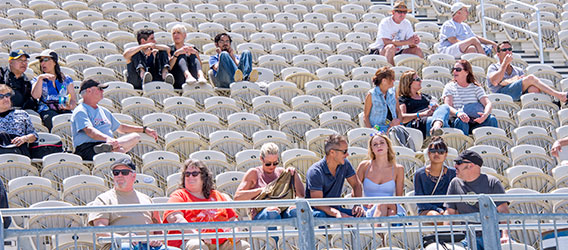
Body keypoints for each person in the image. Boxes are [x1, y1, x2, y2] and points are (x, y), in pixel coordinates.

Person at [88, 158, 180, 250]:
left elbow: (158, 229)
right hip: (118, 245)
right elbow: (100, 229)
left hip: (148, 245)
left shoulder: (146, 199)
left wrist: (157, 240)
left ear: (133, 176)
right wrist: (122, 238)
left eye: (124, 172)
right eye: (116, 172)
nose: (119, 175)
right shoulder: (103, 199)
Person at [163, 159, 250, 250]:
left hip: (221, 241)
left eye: (194, 174)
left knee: (243, 246)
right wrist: (198, 235)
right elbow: (176, 218)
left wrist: (235, 232)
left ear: (204, 177)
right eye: (187, 174)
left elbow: (232, 218)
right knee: (198, 245)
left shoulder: (217, 195)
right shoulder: (179, 195)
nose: (190, 177)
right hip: (189, 240)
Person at [71, 79, 158, 160]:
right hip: (88, 149)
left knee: (135, 136)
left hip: (108, 144)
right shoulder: (81, 110)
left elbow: (121, 128)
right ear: (89, 91)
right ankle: (109, 148)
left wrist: (144, 129)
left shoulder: (103, 110)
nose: (102, 91)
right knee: (120, 152)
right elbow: (89, 131)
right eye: (100, 89)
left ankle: (109, 147)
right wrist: (108, 139)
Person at [444, 150, 510, 249]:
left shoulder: (492, 182)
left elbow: (503, 211)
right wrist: (446, 236)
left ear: (470, 165)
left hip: (493, 235)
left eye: (459, 163)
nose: (455, 166)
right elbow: (449, 213)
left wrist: (505, 235)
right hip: (468, 237)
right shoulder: (455, 183)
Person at [234, 142, 305, 220]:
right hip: (262, 212)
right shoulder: (254, 173)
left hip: (282, 210)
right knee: (272, 213)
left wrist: (294, 175)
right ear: (261, 159)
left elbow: (301, 195)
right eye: (268, 164)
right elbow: (237, 197)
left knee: (296, 211)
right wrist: (262, 190)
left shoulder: (281, 172)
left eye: (275, 163)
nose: (272, 166)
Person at [487, 41, 568, 103]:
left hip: (517, 95)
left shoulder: (518, 70)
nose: (508, 52)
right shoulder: (493, 67)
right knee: (531, 78)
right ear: (498, 54)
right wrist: (504, 64)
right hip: (500, 95)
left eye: (510, 49)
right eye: (504, 50)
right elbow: (495, 82)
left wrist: (513, 80)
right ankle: (559, 95)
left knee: (534, 89)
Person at [305, 134, 365, 218]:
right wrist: (337, 213)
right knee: (320, 215)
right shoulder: (315, 172)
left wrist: (357, 204)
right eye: (344, 151)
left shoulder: (345, 164)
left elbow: (356, 184)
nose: (347, 154)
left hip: (335, 209)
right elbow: (317, 204)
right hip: (317, 211)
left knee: (360, 214)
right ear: (332, 152)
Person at [442, 60, 498, 135]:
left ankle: (491, 145)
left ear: (467, 72)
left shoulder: (476, 87)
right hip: (459, 120)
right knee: (462, 121)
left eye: (458, 69)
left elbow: (487, 103)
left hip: (475, 121)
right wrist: (459, 114)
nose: (454, 71)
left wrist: (485, 115)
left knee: (492, 119)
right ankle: (464, 145)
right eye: (453, 69)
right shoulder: (449, 87)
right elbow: (447, 106)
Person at [356, 133, 405, 217]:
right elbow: (355, 189)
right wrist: (364, 203)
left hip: (392, 206)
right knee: (389, 212)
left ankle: (377, 229)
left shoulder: (398, 169)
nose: (379, 146)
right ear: (372, 149)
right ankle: (385, 228)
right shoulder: (364, 166)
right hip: (369, 208)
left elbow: (399, 198)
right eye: (375, 144)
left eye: (382, 143)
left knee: (384, 205)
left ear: (388, 146)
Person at [31, 49, 77, 131]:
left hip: (63, 108)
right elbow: (35, 95)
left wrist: (70, 106)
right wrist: (41, 78)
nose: (42, 63)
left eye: (45, 60)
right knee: (52, 119)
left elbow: (73, 100)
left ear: (54, 62)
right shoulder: (37, 79)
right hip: (46, 110)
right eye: (41, 61)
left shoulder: (66, 79)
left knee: (73, 120)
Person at [398, 70, 451, 137]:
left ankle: (436, 126)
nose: (421, 81)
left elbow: (436, 107)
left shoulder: (425, 97)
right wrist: (422, 114)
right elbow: (402, 118)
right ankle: (437, 127)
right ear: (409, 83)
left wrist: (434, 108)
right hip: (418, 124)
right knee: (445, 125)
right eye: (417, 79)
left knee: (445, 107)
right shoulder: (403, 99)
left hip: (431, 120)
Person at [368, 1, 423, 66]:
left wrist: (414, 41)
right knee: (391, 47)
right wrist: (408, 42)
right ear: (393, 13)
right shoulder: (385, 22)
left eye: (404, 12)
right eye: (399, 12)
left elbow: (410, 44)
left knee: (417, 49)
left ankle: (419, 73)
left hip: (398, 51)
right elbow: (386, 42)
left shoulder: (407, 23)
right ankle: (390, 73)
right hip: (380, 50)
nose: (402, 14)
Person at [414, 137, 456, 216]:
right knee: (436, 216)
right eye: (433, 151)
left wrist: (446, 210)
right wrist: (438, 209)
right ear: (429, 153)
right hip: (426, 210)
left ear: (445, 154)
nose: (436, 154)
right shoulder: (419, 174)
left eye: (440, 152)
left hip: (448, 209)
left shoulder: (453, 173)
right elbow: (420, 201)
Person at [0, 84, 37, 157]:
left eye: (7, 95)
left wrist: (24, 138)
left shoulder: (22, 114)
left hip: (19, 151)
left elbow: (34, 136)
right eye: (1, 97)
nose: (6, 99)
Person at [363, 66, 402, 133]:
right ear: (384, 81)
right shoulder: (371, 95)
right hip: (377, 129)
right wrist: (372, 132)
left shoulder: (393, 91)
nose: (394, 80)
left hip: (394, 128)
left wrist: (398, 122)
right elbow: (366, 117)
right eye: (391, 78)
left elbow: (398, 111)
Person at [168, 24, 208, 89]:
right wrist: (176, 54)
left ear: (184, 35)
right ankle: (187, 75)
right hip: (177, 78)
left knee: (192, 53)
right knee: (181, 53)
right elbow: (169, 67)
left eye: (178, 33)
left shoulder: (191, 47)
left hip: (193, 78)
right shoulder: (169, 48)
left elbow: (199, 65)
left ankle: (200, 75)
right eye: (174, 33)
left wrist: (196, 54)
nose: (176, 35)